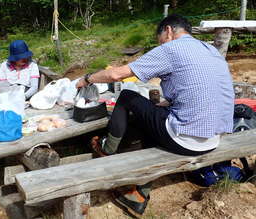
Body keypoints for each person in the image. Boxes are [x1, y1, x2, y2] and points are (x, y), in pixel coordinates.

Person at [76, 14, 234, 216]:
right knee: (156, 115)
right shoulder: (210, 50)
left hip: (187, 140)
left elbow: (116, 74)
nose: (159, 44)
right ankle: (139, 194)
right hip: (214, 138)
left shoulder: (171, 48)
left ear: (168, 31)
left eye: (159, 39)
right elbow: (197, 88)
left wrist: (87, 78)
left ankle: (107, 150)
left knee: (126, 96)